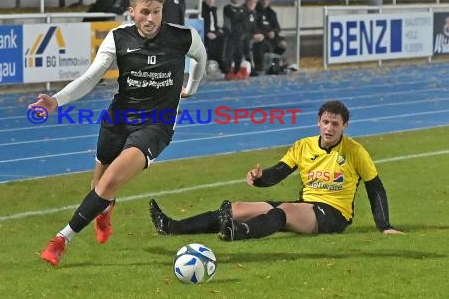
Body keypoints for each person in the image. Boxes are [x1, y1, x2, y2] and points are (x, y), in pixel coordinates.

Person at [29, 0, 207, 266]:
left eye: (157, 12)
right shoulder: (118, 38)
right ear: (131, 11)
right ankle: (106, 208)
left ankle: (61, 239)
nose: (151, 19)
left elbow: (201, 57)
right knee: (98, 184)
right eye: (145, 12)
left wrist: (192, 85)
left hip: (156, 126)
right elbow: (90, 78)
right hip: (118, 119)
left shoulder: (184, 37)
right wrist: (55, 101)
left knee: (110, 181)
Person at [149, 100, 404, 240]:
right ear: (318, 122)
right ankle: (172, 227)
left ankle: (236, 233)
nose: (329, 128)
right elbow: (279, 173)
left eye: (335, 124)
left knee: (285, 211)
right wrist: (260, 179)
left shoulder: (355, 151)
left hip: (334, 214)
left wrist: (384, 225)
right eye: (325, 122)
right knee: (236, 208)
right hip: (306, 207)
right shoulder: (303, 146)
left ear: (345, 126)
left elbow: (375, 188)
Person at [255, 0, 287, 74]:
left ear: (269, 1)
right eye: (263, 0)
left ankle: (274, 63)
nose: (265, 2)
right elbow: (254, 26)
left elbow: (278, 27)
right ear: (260, 0)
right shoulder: (255, 11)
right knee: (266, 45)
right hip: (261, 36)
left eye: (267, 0)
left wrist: (274, 32)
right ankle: (264, 66)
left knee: (283, 44)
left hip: (272, 36)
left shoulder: (272, 13)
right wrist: (265, 34)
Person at [201, 0, 228, 75]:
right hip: (204, 33)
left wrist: (219, 30)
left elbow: (214, 24)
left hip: (213, 32)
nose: (211, 0)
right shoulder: (200, 9)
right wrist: (206, 32)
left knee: (225, 36)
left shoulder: (214, 10)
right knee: (213, 40)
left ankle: (221, 59)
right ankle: (215, 60)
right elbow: (197, 23)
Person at [222, 0, 247, 80]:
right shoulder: (227, 8)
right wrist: (231, 34)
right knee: (229, 55)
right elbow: (228, 23)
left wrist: (243, 35)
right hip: (231, 36)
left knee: (239, 55)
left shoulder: (243, 9)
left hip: (240, 37)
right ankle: (228, 72)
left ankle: (236, 72)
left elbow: (245, 24)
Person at [242, 0, 264, 77]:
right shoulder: (242, 12)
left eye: (254, 2)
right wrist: (252, 36)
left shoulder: (253, 13)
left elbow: (254, 27)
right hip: (242, 36)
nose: (252, 4)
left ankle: (259, 66)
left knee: (262, 40)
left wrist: (259, 34)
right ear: (246, 2)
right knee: (246, 42)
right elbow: (243, 28)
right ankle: (250, 68)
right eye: (251, 2)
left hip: (250, 36)